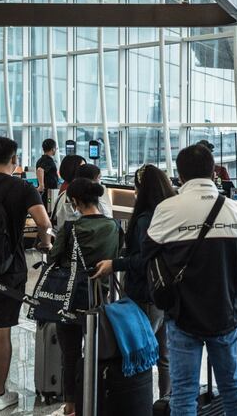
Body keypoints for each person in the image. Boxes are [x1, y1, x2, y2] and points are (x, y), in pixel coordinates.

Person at [142, 144, 237, 416]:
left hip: (182, 312)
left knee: (183, 392)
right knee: (232, 387)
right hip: (225, 311)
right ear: (213, 171)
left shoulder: (167, 209)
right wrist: (227, 273)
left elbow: (146, 253)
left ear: (180, 175)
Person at [0, 136, 53, 412]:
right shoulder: (22, 188)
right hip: (8, 270)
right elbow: (44, 223)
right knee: (1, 329)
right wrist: (44, 244)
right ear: (14, 160)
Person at [93, 164, 174, 398]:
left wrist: (115, 264)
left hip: (144, 294)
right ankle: (165, 403)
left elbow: (144, 259)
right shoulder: (168, 214)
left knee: (142, 351)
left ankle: (141, 403)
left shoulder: (144, 219)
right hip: (166, 292)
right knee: (164, 354)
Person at [49, 178, 120, 416]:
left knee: (70, 353)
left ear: (76, 202)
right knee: (98, 352)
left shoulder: (71, 228)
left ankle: (71, 406)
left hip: (70, 298)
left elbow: (54, 258)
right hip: (101, 299)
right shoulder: (113, 226)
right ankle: (97, 400)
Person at [50, 154, 87, 230]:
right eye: (83, 167)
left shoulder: (65, 186)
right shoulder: (72, 191)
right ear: (73, 169)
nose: (86, 170)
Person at [36, 138, 60, 205]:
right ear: (53, 149)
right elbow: (40, 170)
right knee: (49, 210)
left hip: (46, 192)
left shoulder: (40, 160)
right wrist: (41, 185)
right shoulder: (48, 160)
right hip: (48, 192)